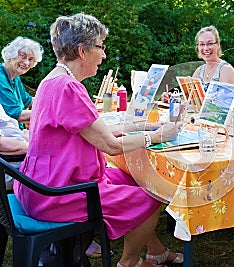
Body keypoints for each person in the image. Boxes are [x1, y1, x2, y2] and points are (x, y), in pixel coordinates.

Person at [14, 13, 183, 267]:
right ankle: (128, 262)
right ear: (83, 51)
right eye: (101, 47)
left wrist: (147, 124)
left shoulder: (53, 80)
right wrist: (157, 136)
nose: (104, 55)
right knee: (153, 195)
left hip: (40, 183)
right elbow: (110, 146)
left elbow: (100, 129)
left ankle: (156, 250)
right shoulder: (69, 88)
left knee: (138, 180)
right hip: (57, 192)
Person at [162, 25, 234, 102]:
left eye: (210, 43)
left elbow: (225, 106)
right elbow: (191, 101)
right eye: (202, 44)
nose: (205, 48)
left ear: (218, 45)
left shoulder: (226, 70)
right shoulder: (199, 71)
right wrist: (172, 98)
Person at [0, 36, 43, 128]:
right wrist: (51, 114)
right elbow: (16, 114)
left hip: (15, 131)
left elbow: (28, 100)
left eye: (31, 59)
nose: (26, 63)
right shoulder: (1, 78)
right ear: (11, 55)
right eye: (23, 56)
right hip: (5, 135)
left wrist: (55, 103)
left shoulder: (14, 77)